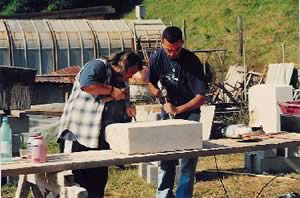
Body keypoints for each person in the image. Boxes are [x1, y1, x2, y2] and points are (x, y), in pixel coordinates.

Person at [57, 51, 143, 198]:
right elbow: (87, 84)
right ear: (125, 63)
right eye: (132, 71)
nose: (131, 76)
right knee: (74, 183)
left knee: (97, 182)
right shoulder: (98, 66)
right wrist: (111, 90)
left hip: (99, 140)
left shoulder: (122, 81)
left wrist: (127, 110)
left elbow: (122, 100)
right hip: (78, 135)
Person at [147, 26, 208, 198]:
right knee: (166, 154)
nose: (172, 53)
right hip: (168, 110)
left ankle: (183, 196)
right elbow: (150, 82)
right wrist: (158, 93)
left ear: (182, 42)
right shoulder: (157, 57)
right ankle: (164, 195)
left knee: (188, 159)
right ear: (161, 43)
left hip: (190, 113)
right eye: (168, 50)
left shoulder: (192, 61)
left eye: (176, 49)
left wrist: (178, 109)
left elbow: (201, 97)